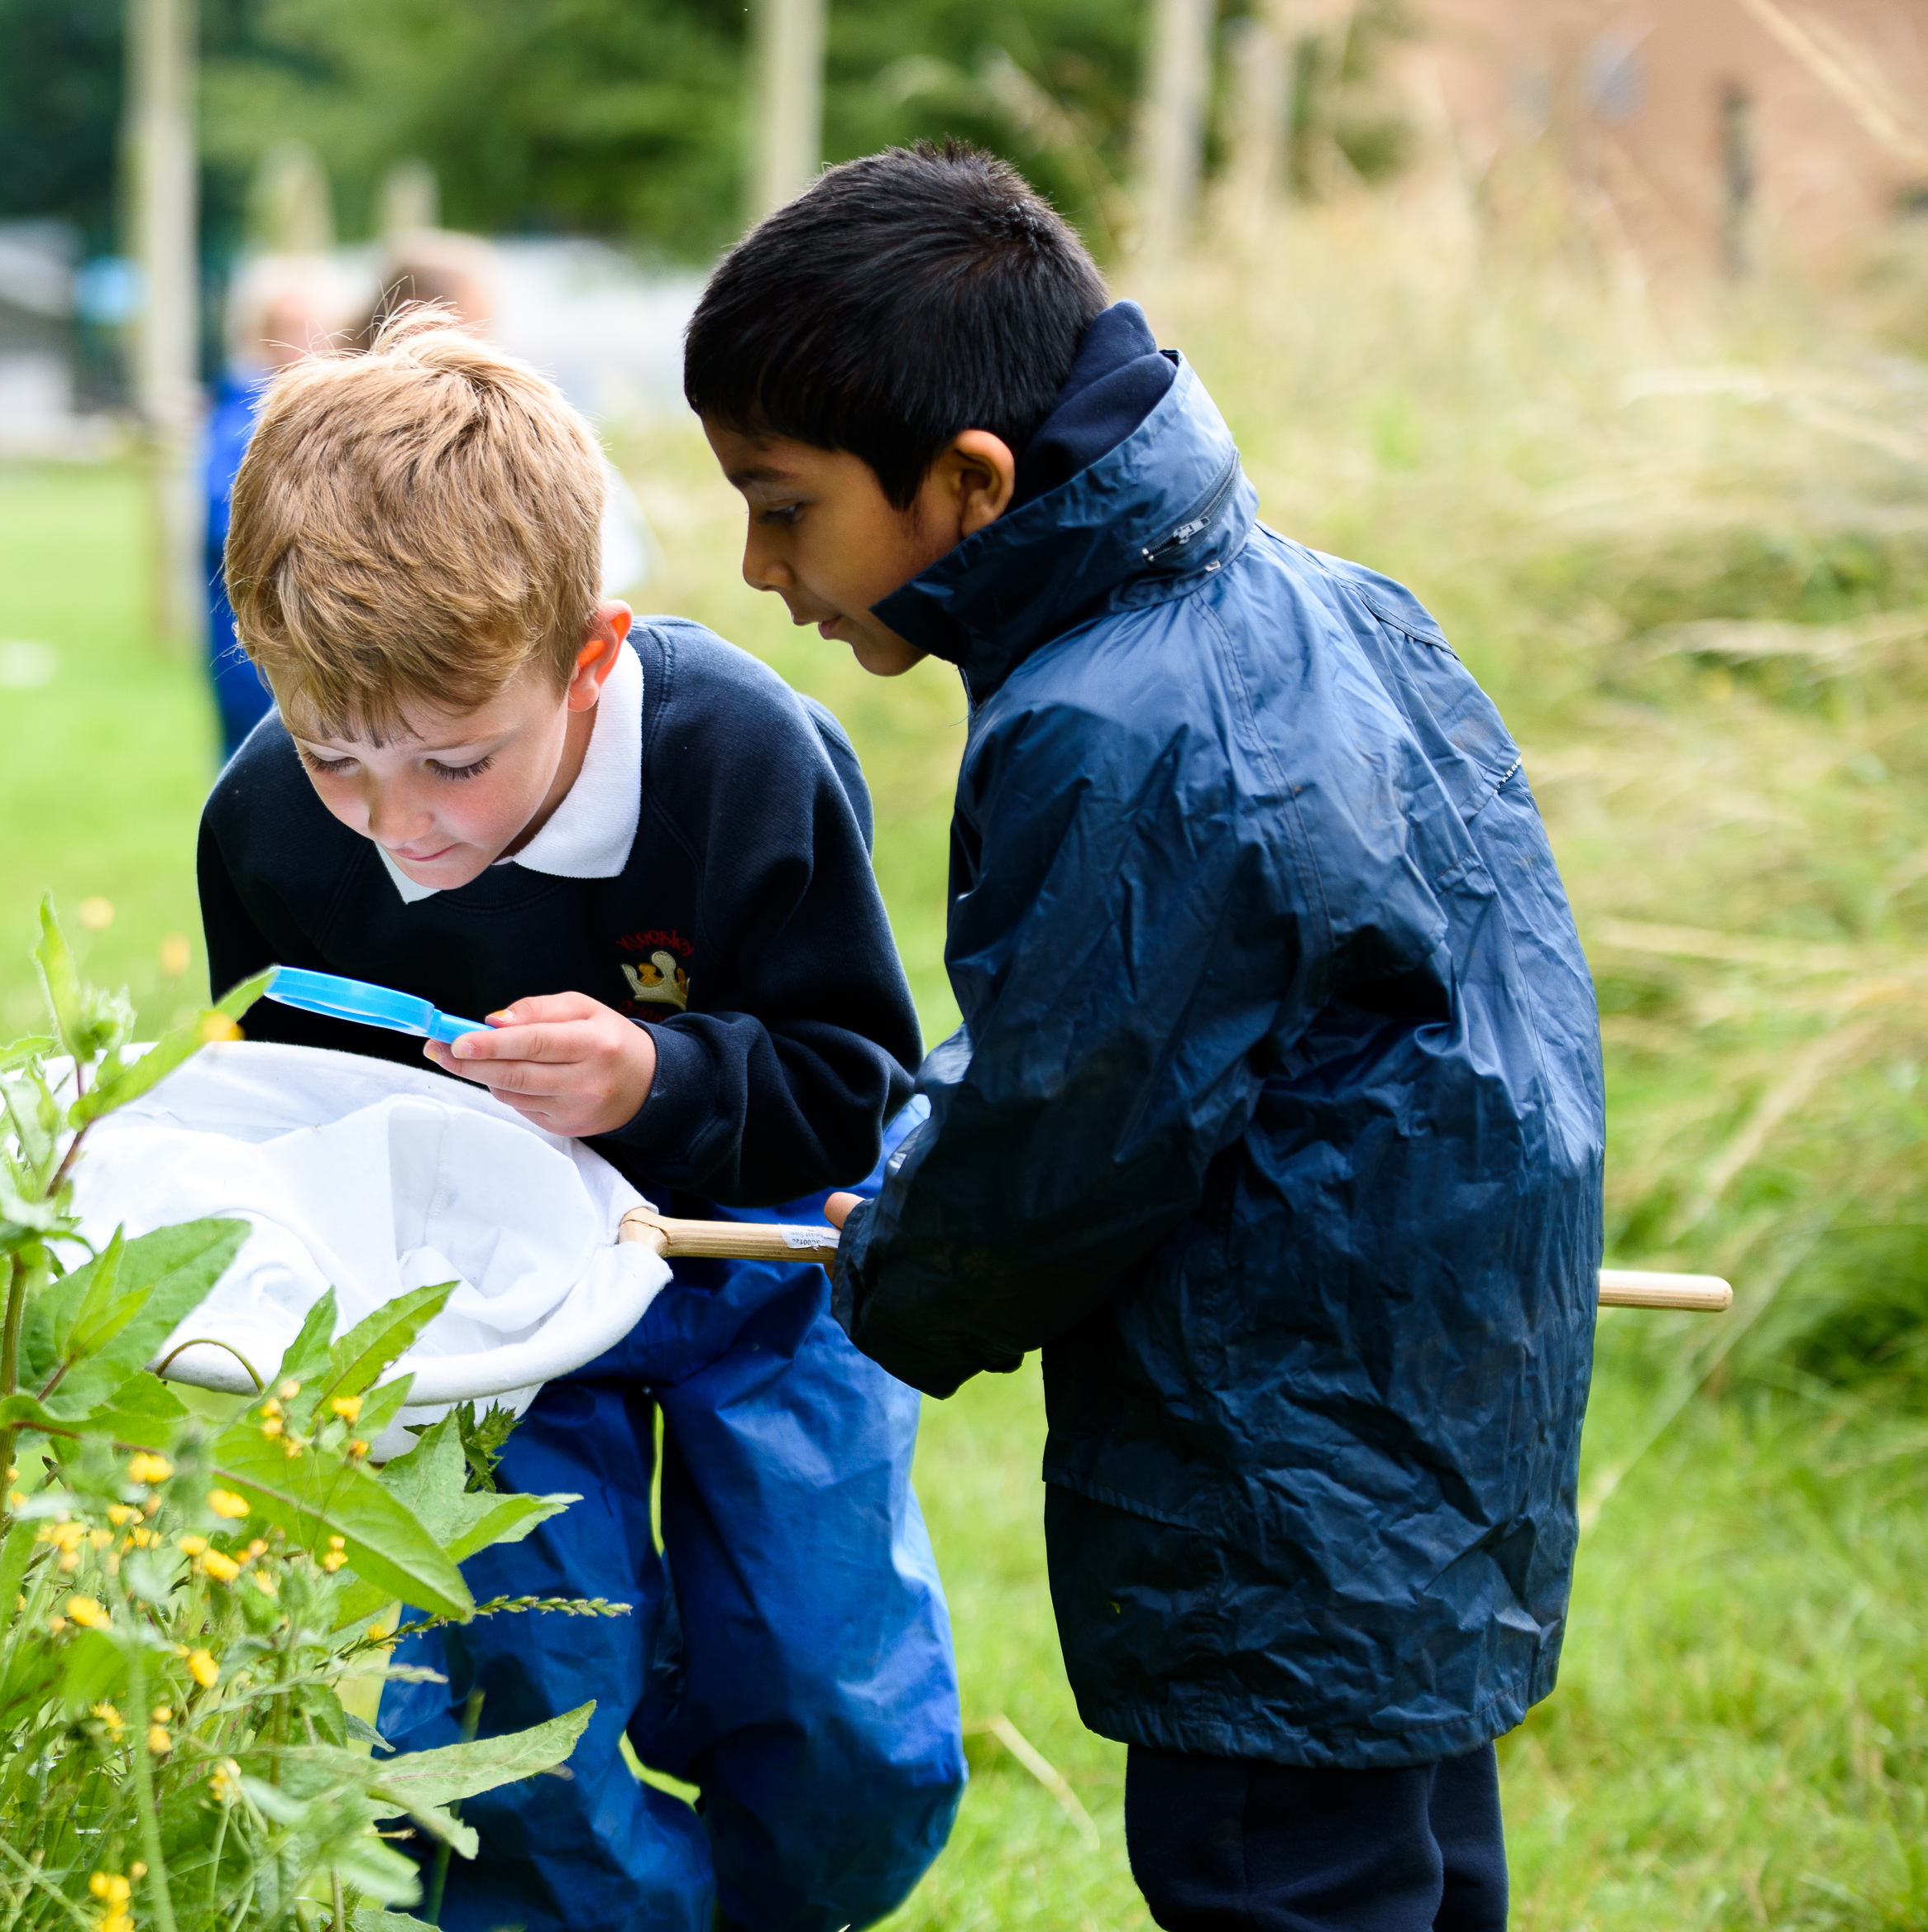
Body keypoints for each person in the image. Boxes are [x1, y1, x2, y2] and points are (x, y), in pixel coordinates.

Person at [686, 142, 1605, 1931]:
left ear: (965, 483)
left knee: (1279, 1885)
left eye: (783, 505)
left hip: (1270, 1485)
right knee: (1414, 1875)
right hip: (1438, 1434)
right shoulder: (1332, 603)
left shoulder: (1113, 723)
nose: (756, 564)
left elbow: (1061, 1136)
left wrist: (895, 1264)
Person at [199, 311, 964, 1932]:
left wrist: (657, 1080)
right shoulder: (268, 821)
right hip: (490, 1324)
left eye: (454, 761)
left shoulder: (743, 757)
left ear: (590, 657)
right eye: (341, 759)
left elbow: (861, 1082)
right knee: (529, 1720)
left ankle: (772, 1867)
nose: (396, 830)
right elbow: (277, 1108)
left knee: (839, 1714)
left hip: (753, 1264)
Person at [202, 254, 346, 758]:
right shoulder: (238, 415)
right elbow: (230, 523)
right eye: (284, 326)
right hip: (255, 622)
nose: (298, 341)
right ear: (258, 333)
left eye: (310, 326)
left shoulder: (337, 406)